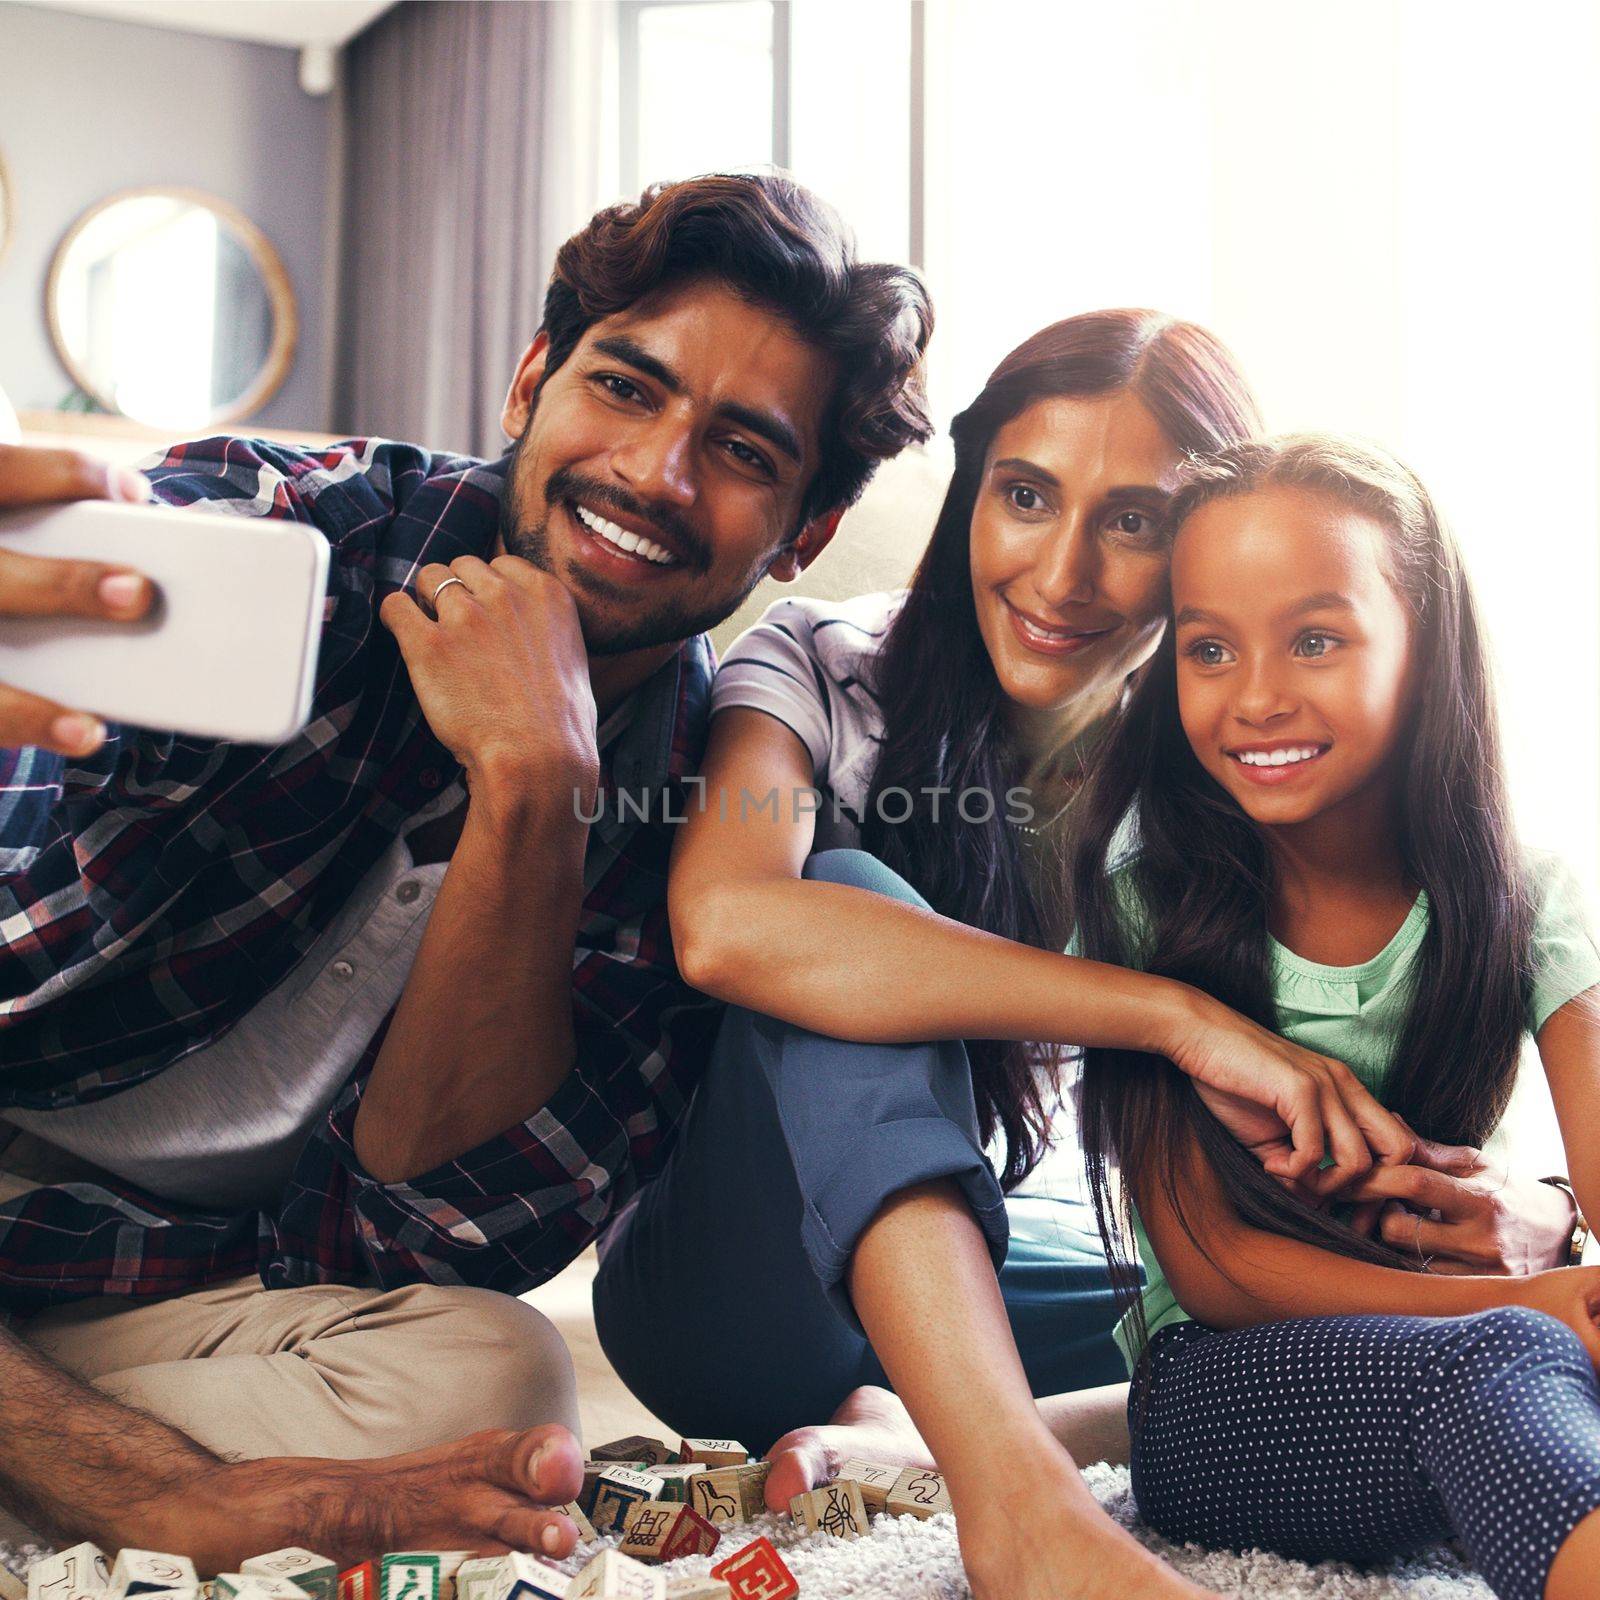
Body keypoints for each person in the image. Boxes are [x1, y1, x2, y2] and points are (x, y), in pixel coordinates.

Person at [0, 173, 935, 1568]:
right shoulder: (279, 542)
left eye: (742, 453)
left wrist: (536, 796)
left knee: (493, 1383)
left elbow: (418, 1231)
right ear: (530, 381)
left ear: (800, 537)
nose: (655, 474)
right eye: (626, 389)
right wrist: (158, 1491)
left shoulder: (708, 815)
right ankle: (131, 1490)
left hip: (127, 1276)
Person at [594, 313, 1577, 1600]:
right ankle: (1020, 1507)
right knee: (842, 904)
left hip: (990, 1264)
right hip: (738, 1271)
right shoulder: (821, 669)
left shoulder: (1223, 762)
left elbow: (1364, 1028)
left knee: (1191, 1294)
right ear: (970, 499)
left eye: (1129, 521)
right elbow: (728, 925)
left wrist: (1539, 1215)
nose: (1061, 573)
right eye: (1023, 495)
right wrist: (1167, 1013)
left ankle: (935, 1427)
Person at [1070, 434, 1600, 1600]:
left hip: (1494, 1330)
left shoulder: (1530, 895)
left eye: (1315, 639)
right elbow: (1214, 1267)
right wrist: (1524, 1304)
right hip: (1217, 1395)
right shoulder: (1148, 907)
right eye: (1209, 648)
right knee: (1508, 1357)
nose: (1255, 695)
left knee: (1533, 1353)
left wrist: (1560, 1261)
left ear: (1425, 648)